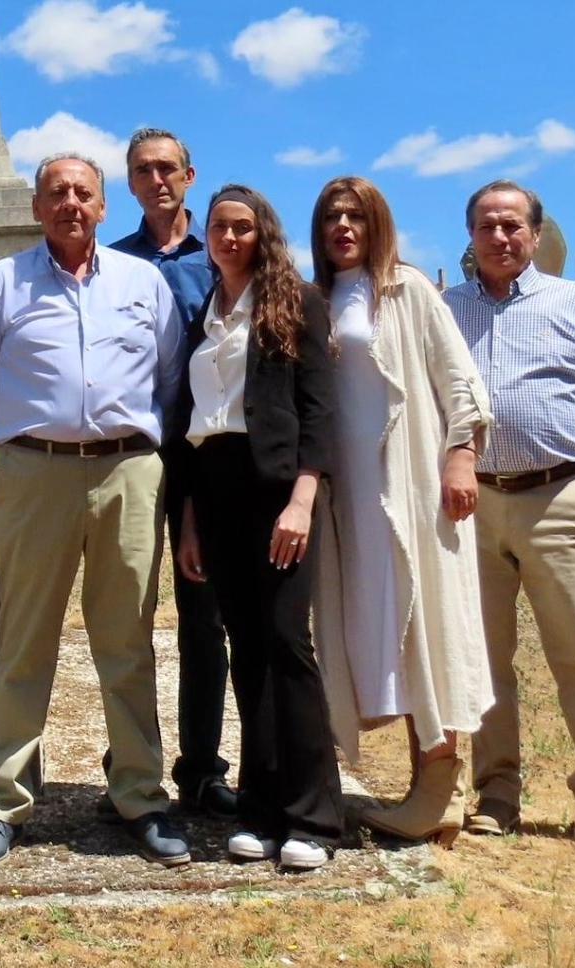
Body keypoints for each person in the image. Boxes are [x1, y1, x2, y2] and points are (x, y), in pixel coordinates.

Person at [0, 153, 188, 873]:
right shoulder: (2, 283)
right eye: (57, 193)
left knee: (128, 643)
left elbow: (171, 377)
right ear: (36, 206)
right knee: (24, 641)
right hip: (35, 476)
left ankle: (140, 797)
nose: (71, 204)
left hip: (127, 472)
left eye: (83, 193)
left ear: (103, 206)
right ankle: (6, 801)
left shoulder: (142, 282)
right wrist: (22, 445)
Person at [443, 179, 575, 856]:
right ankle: (496, 793)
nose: (500, 237)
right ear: (470, 238)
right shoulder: (447, 311)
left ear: (535, 234)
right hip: (473, 507)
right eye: (486, 227)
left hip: (561, 499)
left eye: (512, 226)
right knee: (485, 659)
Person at [307, 176, 495, 847]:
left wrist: (460, 459)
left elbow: (459, 383)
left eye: (356, 216)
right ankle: (413, 779)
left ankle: (438, 784)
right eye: (332, 217)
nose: (343, 227)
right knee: (374, 627)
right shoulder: (319, 298)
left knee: (425, 622)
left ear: (377, 223)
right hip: (348, 497)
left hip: (410, 485)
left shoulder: (407, 289)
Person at [172, 185, 343, 871]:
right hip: (213, 490)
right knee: (246, 647)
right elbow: (192, 427)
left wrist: (302, 500)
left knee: (285, 643)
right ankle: (262, 806)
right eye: (219, 227)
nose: (229, 237)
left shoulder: (295, 302)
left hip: (276, 489)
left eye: (242, 227)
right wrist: (188, 521)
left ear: (262, 233)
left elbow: (318, 411)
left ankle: (314, 816)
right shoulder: (204, 312)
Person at [110, 127, 235, 820]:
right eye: (143, 171)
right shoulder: (112, 261)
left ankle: (202, 769)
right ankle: (126, 766)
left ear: (189, 174)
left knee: (202, 618)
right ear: (129, 183)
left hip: (206, 458)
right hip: (132, 452)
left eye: (168, 168)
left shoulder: (219, 252)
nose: (157, 179)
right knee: (123, 617)